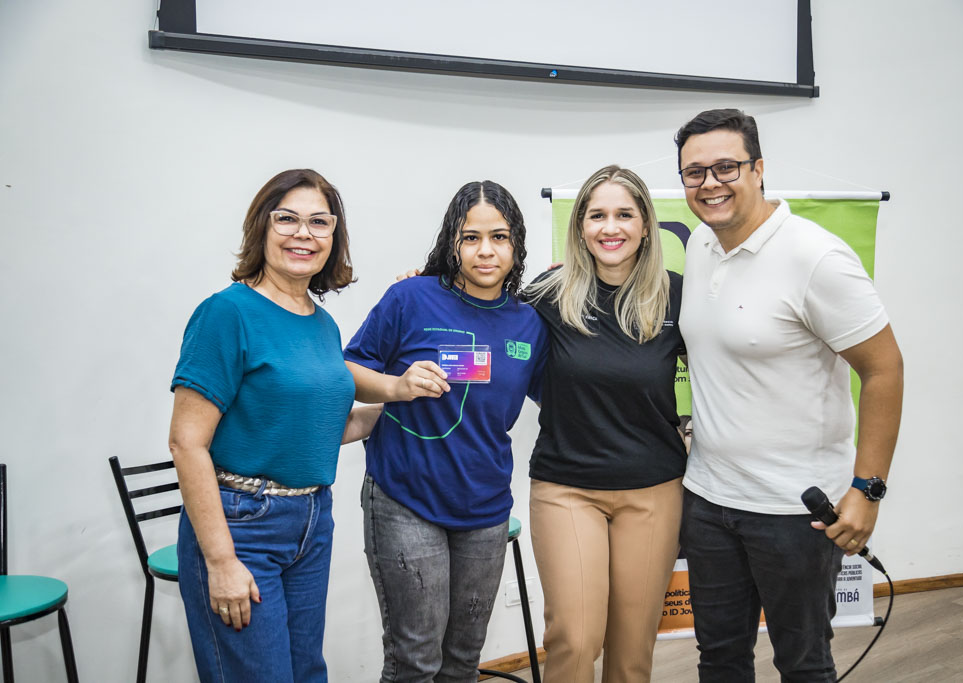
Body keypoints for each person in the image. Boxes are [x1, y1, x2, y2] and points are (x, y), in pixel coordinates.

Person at [675, 109, 904, 682]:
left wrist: (867, 491)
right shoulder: (701, 243)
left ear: (757, 169)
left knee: (803, 664)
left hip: (793, 514)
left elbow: (885, 370)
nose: (710, 183)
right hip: (707, 500)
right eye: (694, 172)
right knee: (719, 659)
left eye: (725, 167)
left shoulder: (815, 258)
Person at [168, 169, 379, 682]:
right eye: (287, 218)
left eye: (319, 222)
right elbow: (186, 442)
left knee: (306, 672)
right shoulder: (227, 313)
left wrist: (411, 395)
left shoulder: (320, 322)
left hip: (311, 520)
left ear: (335, 236)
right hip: (242, 524)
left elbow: (324, 427)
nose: (303, 234)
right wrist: (220, 561)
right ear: (262, 226)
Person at [344, 180, 548, 683]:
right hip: (404, 501)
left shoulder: (530, 324)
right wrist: (395, 385)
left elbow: (563, 396)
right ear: (451, 242)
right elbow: (345, 369)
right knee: (415, 660)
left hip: (485, 510)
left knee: (462, 661)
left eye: (499, 237)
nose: (485, 250)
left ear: (516, 243)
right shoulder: (411, 297)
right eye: (470, 237)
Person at [526, 165, 686, 682]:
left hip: (654, 488)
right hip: (567, 487)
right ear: (579, 227)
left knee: (633, 648)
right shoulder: (549, 293)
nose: (609, 227)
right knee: (575, 638)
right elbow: (477, 313)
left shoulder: (677, 296)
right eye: (597, 215)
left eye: (624, 214)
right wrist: (423, 288)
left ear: (646, 226)